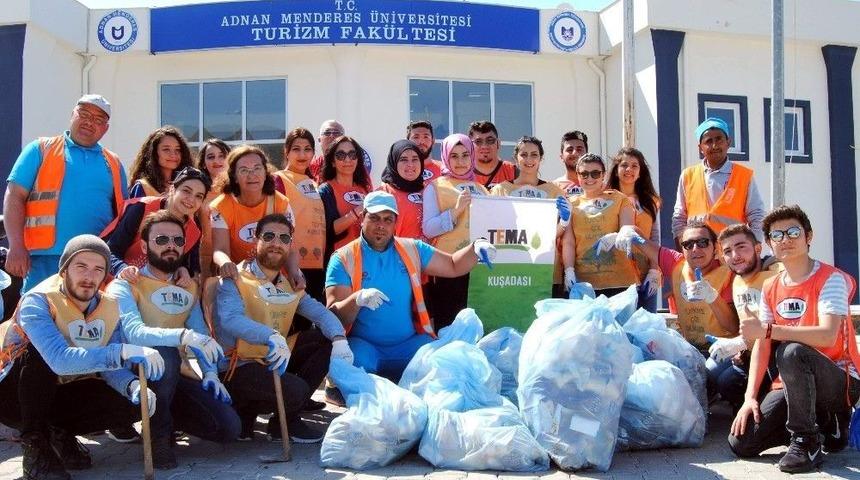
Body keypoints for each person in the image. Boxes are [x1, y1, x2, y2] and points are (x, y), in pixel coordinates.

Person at [0, 235, 163, 480]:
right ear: (64, 269)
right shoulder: (38, 300)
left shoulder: (109, 306)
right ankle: (36, 445)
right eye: (81, 266)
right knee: (37, 354)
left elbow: (111, 367)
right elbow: (59, 359)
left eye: (98, 269)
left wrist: (132, 387)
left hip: (62, 391)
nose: (89, 276)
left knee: (131, 401)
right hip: (13, 397)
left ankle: (59, 432)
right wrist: (121, 351)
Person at [729, 205, 860, 473]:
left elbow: (827, 335)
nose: (785, 239)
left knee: (790, 351)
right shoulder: (770, 285)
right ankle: (823, 423)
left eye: (793, 232)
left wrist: (767, 330)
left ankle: (806, 441)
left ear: (808, 237)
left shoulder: (830, 279)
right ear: (768, 243)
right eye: (777, 235)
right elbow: (762, 346)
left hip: (839, 378)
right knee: (742, 442)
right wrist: (750, 397)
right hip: (791, 382)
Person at [106, 211, 238, 468]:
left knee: (228, 428)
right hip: (132, 378)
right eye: (162, 239)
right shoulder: (126, 284)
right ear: (144, 245)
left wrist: (210, 373)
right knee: (164, 354)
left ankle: (169, 413)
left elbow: (199, 332)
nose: (171, 246)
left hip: (172, 375)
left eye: (178, 241)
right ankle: (158, 437)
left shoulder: (187, 285)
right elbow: (134, 332)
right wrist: (182, 336)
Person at [327, 191, 495, 383]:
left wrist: (475, 248)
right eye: (374, 218)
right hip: (364, 347)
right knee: (348, 372)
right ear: (362, 218)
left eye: (388, 219)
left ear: (395, 222)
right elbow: (334, 316)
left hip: (409, 345)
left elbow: (454, 265)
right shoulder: (343, 258)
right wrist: (356, 299)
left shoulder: (412, 248)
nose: (381, 225)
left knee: (447, 370)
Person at [212, 213, 354, 443]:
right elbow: (230, 319)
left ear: (290, 245)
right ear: (256, 240)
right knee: (296, 391)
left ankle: (283, 424)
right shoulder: (235, 277)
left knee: (323, 342)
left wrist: (339, 338)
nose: (276, 243)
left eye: (284, 238)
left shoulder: (287, 282)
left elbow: (319, 312)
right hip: (236, 367)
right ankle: (245, 410)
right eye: (268, 236)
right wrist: (270, 336)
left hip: (268, 360)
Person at [4, 94, 128, 293]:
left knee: (90, 321)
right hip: (44, 260)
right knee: (39, 317)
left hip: (95, 262)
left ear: (106, 128)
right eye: (84, 114)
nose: (89, 122)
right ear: (72, 115)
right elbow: (14, 196)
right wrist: (16, 246)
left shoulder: (113, 163)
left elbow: (123, 215)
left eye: (99, 120)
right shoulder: (40, 149)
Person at [619, 220, 737, 351]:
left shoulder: (728, 273)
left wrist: (711, 296)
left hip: (722, 350)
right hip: (691, 349)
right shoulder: (676, 263)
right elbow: (639, 238)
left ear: (715, 247)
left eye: (702, 243)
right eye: (688, 244)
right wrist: (627, 229)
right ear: (682, 249)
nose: (695, 249)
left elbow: (732, 326)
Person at [706, 224, 781, 410]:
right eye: (728, 251)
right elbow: (742, 326)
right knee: (724, 381)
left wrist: (742, 342)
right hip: (752, 355)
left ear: (758, 248)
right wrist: (742, 348)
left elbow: (789, 325)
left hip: (781, 355)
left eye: (741, 247)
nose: (735, 256)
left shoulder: (776, 274)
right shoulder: (737, 281)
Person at [489, 136, 573, 298]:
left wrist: (563, 222)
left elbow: (562, 234)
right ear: (516, 158)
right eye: (524, 154)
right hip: (511, 271)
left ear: (541, 158)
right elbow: (493, 229)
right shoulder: (500, 190)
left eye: (534, 154)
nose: (529, 159)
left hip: (547, 268)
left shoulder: (555, 192)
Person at [209, 145, 302, 287]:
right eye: (244, 170)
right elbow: (220, 249)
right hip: (239, 279)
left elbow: (291, 248)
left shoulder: (281, 203)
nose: (252, 175)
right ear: (233, 176)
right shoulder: (221, 206)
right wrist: (225, 262)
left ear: (266, 172)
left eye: (257, 168)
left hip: (276, 279)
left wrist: (294, 273)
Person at [422, 134, 490, 329]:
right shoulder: (434, 187)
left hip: (478, 269)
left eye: (465, 155)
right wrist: (456, 211)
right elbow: (428, 229)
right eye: (454, 156)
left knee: (477, 325)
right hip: (448, 267)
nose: (460, 161)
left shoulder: (482, 189)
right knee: (449, 324)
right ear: (445, 157)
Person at [103, 166, 210, 282]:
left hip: (156, 291)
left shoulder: (194, 232)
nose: (191, 199)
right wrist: (122, 269)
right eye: (186, 191)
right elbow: (109, 251)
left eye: (199, 196)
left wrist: (183, 269)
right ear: (172, 189)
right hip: (119, 283)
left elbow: (181, 263)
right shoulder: (142, 208)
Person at [672, 117, 766, 244]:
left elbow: (757, 216)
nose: (715, 145)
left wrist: (753, 245)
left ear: (728, 142)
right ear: (700, 148)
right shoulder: (688, 175)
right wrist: (683, 244)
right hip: (699, 251)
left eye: (719, 139)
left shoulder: (743, 176)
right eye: (708, 141)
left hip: (732, 254)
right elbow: (679, 217)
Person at [569, 153, 640, 298]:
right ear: (578, 175)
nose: (590, 178)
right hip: (585, 284)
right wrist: (569, 270)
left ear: (603, 175)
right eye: (584, 174)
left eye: (595, 173)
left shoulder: (619, 199)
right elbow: (569, 242)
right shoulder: (570, 204)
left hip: (620, 282)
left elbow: (628, 229)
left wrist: (616, 236)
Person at [272, 128, 327, 302]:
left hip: (317, 264)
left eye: (307, 149)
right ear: (286, 151)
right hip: (291, 264)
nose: (302, 154)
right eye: (296, 149)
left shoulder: (314, 183)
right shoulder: (277, 179)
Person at [607, 147, 662, 311]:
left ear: (640, 172)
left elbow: (655, 236)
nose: (629, 169)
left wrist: (654, 269)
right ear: (616, 171)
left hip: (645, 274)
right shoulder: (606, 198)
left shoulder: (650, 201)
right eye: (624, 165)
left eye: (634, 166)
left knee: (645, 328)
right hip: (616, 275)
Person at [318, 136, 373, 262]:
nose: (348, 159)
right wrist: (357, 211)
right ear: (332, 161)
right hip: (340, 263)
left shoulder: (365, 189)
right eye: (341, 155)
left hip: (366, 261)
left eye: (352, 154)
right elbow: (328, 232)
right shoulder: (325, 191)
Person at [377, 139, 427, 240]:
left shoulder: (430, 190)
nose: (410, 164)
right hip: (396, 254)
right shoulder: (383, 193)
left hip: (428, 255)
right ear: (394, 162)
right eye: (403, 159)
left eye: (415, 159)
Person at [196, 139, 231, 279]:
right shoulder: (198, 190)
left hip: (234, 255)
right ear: (204, 163)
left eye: (222, 155)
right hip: (205, 255)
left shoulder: (238, 189)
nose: (217, 160)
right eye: (211, 157)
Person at [128, 126, 194, 198]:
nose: (173, 154)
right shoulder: (143, 187)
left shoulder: (188, 185)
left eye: (178, 149)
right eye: (166, 149)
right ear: (154, 153)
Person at [469, 121, 517, 189]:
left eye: (490, 140)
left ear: (498, 143)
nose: (484, 146)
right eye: (478, 142)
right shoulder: (463, 174)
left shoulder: (514, 172)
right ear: (470, 146)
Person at [552, 130, 588, 197]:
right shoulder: (553, 188)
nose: (574, 153)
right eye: (570, 150)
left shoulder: (600, 185)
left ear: (587, 155)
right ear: (561, 157)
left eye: (579, 149)